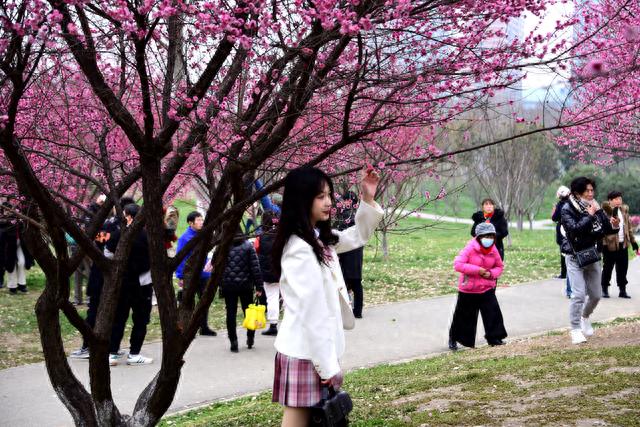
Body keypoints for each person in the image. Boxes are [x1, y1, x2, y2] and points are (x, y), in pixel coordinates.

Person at [271, 166, 383, 426]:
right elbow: (312, 313)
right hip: (305, 352)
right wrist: (328, 368)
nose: (329, 202)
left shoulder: (317, 239)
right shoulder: (300, 249)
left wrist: (367, 199)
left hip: (313, 351)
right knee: (296, 421)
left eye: (329, 195)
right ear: (302, 198)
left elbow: (358, 236)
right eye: (321, 196)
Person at [561, 177, 619, 345]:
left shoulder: (595, 205)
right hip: (574, 256)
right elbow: (575, 230)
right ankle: (575, 330)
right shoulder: (567, 208)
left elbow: (606, 230)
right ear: (577, 193)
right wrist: (589, 214)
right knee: (578, 294)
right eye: (587, 191)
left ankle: (584, 316)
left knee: (596, 295)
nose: (590, 193)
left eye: (592, 190)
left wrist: (614, 224)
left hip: (592, 255)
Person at [105, 203, 155, 365]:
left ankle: (112, 353)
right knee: (140, 319)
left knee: (118, 317)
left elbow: (107, 253)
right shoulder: (147, 236)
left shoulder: (118, 234)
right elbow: (155, 260)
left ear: (128, 217)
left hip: (122, 283)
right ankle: (134, 354)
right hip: (142, 283)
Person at [448, 222, 507, 351]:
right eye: (486, 236)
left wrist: (491, 273)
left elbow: (499, 266)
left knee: (493, 313)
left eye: (491, 236)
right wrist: (478, 270)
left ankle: (494, 338)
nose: (489, 239)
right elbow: (458, 264)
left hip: (486, 287)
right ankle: (454, 338)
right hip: (469, 288)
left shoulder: (493, 249)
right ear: (479, 237)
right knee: (463, 317)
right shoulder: (470, 248)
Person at [219, 229, 264, 352]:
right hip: (246, 285)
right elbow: (255, 268)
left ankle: (233, 342)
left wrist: (221, 284)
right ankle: (250, 338)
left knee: (231, 313)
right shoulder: (248, 246)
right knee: (249, 312)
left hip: (229, 285)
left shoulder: (224, 246)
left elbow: (216, 265)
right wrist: (259, 287)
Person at [175, 211, 217, 336]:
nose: (201, 222)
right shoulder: (185, 238)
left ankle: (204, 327)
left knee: (204, 302)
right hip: (190, 276)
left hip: (204, 275)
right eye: (198, 220)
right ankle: (187, 329)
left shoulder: (204, 235)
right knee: (188, 303)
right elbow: (181, 258)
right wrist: (181, 276)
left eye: (201, 220)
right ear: (190, 223)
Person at [601, 191, 639, 299]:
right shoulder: (604, 213)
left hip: (623, 245)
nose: (619, 201)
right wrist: (603, 244)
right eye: (616, 199)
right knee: (607, 268)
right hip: (609, 245)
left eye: (620, 199)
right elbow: (602, 230)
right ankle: (604, 289)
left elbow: (629, 229)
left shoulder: (624, 212)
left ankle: (622, 290)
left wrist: (633, 242)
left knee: (623, 269)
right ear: (610, 201)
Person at [337, 191, 365, 318]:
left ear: (349, 201)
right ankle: (357, 310)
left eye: (344, 200)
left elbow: (340, 233)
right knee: (356, 282)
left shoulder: (345, 216)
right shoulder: (358, 215)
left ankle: (346, 309)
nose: (342, 203)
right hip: (357, 249)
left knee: (345, 281)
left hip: (347, 250)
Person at [0, 204, 35, 294]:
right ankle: (12, 286)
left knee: (21, 262)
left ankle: (22, 284)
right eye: (6, 210)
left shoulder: (18, 220)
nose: (8, 212)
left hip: (20, 245)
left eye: (10, 210)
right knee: (10, 266)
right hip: (8, 248)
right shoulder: (2, 223)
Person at [256, 210, 281, 336]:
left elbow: (256, 250)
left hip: (268, 273)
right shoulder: (282, 235)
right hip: (283, 271)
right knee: (289, 298)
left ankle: (273, 325)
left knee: (272, 298)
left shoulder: (260, 237)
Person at [552, 185, 572, 298]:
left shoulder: (560, 205)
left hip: (562, 231)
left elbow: (554, 218)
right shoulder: (572, 203)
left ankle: (563, 273)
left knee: (564, 254)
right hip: (571, 232)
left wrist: (555, 210)